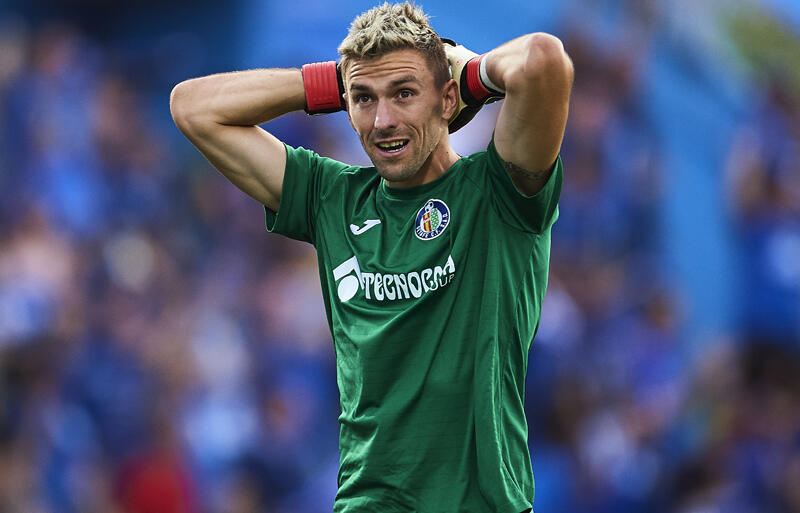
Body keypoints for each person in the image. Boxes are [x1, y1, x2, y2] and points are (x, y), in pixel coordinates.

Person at [170, 2, 573, 512]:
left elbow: (542, 60)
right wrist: (332, 82)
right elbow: (191, 107)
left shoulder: (498, 193)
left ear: (446, 98)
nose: (383, 121)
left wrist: (469, 74)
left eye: (404, 93)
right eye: (364, 98)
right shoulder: (332, 197)